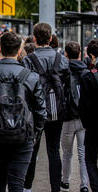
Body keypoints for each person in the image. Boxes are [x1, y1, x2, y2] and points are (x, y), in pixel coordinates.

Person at [0, 32, 47, 192]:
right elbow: (41, 111)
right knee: (17, 184)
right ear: (19, 50)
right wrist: (35, 133)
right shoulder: (31, 77)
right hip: (23, 137)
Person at [22, 23, 69, 192]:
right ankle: (55, 188)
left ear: (34, 39)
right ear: (50, 38)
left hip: (35, 111)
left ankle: (27, 186)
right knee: (54, 150)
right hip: (56, 110)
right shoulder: (62, 59)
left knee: (32, 149)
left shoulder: (28, 60)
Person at [60, 41, 89, 192]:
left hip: (68, 118)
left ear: (66, 54)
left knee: (67, 153)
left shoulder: (64, 72)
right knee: (83, 153)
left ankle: (65, 181)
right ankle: (84, 184)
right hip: (83, 119)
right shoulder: (86, 72)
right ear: (79, 54)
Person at [79, 39, 98, 192]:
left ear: (92, 56)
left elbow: (83, 105)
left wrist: (86, 124)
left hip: (93, 126)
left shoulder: (88, 76)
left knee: (90, 159)